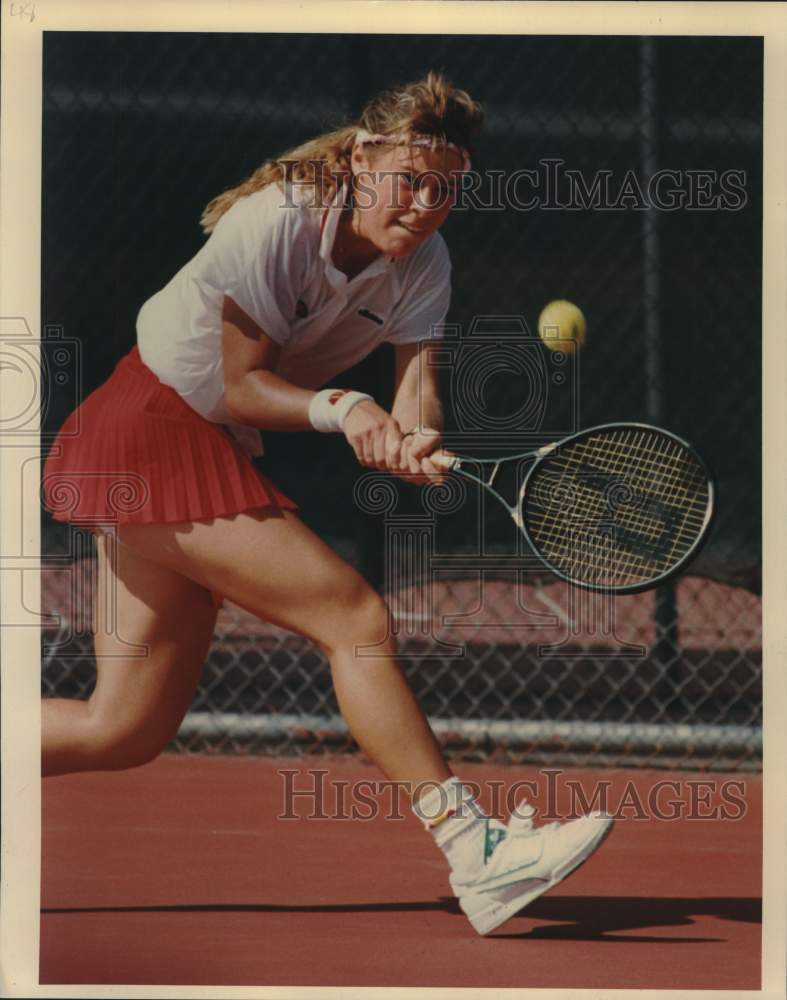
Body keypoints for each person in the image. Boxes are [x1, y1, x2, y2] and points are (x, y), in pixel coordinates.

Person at [42, 71, 612, 935]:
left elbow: (417, 393)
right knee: (353, 617)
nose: (424, 204)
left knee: (119, 730)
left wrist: (414, 441)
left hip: (193, 444)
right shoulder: (275, 219)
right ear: (359, 159)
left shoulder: (424, 262)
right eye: (409, 180)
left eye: (445, 189)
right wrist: (347, 410)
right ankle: (475, 851)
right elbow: (240, 386)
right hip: (149, 425)